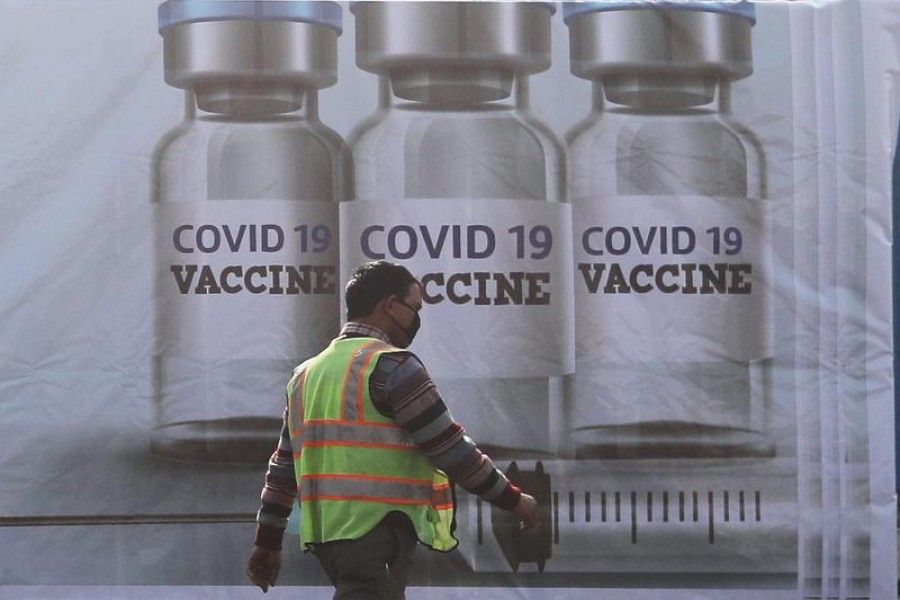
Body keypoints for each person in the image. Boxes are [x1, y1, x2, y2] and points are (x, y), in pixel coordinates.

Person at [246, 260, 539, 598]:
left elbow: (283, 470)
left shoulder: (305, 375)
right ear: (389, 305)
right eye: (414, 308)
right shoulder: (393, 367)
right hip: (379, 532)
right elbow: (451, 450)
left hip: (331, 539)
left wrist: (267, 542)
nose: (417, 319)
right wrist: (515, 501)